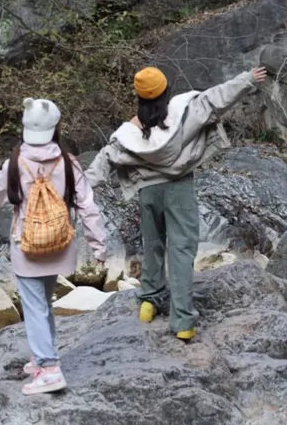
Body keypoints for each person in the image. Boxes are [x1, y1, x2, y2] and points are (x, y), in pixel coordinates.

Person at [86, 66, 267, 341]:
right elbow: (217, 98)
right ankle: (182, 321)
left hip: (148, 192)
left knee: (153, 244)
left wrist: (76, 187)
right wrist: (248, 80)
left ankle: (149, 301)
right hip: (179, 189)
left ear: (139, 98)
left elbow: (104, 159)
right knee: (181, 250)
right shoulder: (185, 112)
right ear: (166, 91)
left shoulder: (130, 133)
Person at [0, 98, 107, 396]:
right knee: (43, 303)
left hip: (27, 248)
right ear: (55, 128)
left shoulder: (15, 162)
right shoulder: (69, 163)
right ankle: (41, 356)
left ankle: (49, 369)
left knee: (34, 306)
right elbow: (88, 207)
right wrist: (99, 247)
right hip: (60, 247)